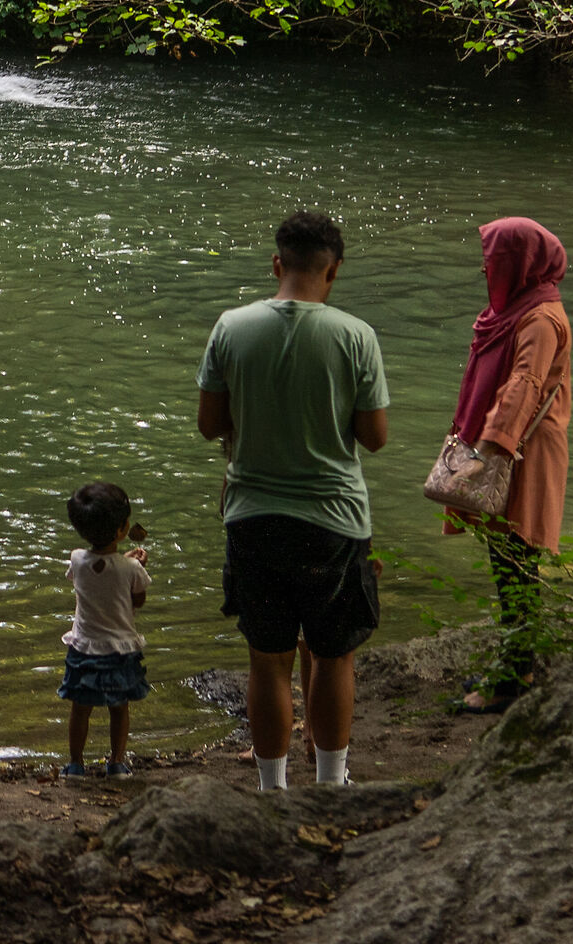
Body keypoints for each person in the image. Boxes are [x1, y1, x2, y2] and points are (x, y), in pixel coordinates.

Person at [198, 210, 389, 790]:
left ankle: (271, 788)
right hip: (334, 520)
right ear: (332, 273)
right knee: (332, 656)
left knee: (268, 658)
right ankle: (332, 782)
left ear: (276, 264)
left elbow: (209, 425)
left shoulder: (231, 328)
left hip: (254, 517)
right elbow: (375, 437)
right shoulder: (356, 335)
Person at [446, 216, 573, 714]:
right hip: (517, 449)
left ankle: (512, 680)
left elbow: (526, 384)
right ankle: (517, 665)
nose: (485, 267)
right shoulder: (524, 308)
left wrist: (488, 448)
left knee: (516, 563)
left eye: (493, 258)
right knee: (509, 562)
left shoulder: (539, 318)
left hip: (523, 454)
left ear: (519, 262)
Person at [56, 480, 151, 778]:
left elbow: (92, 574)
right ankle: (117, 763)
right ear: (122, 530)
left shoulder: (77, 559)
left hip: (83, 647)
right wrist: (135, 566)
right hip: (119, 649)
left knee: (80, 708)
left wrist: (120, 563)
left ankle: (75, 764)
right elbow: (138, 601)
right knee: (119, 707)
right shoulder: (132, 568)